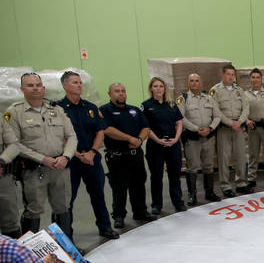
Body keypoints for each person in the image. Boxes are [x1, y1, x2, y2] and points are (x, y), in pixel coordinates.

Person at [5, 73, 76, 237]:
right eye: (30, 85)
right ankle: (29, 251)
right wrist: (42, 159)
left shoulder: (56, 110)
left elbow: (71, 136)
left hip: (60, 168)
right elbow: (14, 143)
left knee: (62, 207)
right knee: (34, 209)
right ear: (22, 89)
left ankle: (65, 249)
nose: (35, 88)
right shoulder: (14, 112)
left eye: (38, 85)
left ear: (43, 88)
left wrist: (66, 156)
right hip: (34, 170)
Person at [54, 70, 119, 240]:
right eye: (75, 82)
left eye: (80, 82)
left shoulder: (90, 108)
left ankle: (105, 227)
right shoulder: (58, 109)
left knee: (98, 193)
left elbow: (100, 131)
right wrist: (76, 154)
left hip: (91, 158)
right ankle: (67, 237)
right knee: (67, 200)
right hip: (71, 160)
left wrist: (91, 152)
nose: (79, 85)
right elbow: (58, 137)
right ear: (65, 85)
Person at [100, 82, 155, 229]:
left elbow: (146, 127)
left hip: (135, 154)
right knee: (119, 187)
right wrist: (129, 138)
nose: (121, 94)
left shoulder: (134, 110)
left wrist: (139, 140)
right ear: (110, 94)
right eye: (117, 91)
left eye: (123, 91)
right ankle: (119, 216)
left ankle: (140, 211)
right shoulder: (105, 110)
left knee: (139, 184)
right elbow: (107, 129)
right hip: (117, 157)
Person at [142, 77, 186, 213]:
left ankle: (178, 202)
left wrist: (176, 139)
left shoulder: (171, 104)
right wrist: (158, 140)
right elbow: (146, 127)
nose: (159, 89)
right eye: (155, 86)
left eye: (161, 86)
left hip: (173, 144)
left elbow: (179, 122)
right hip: (156, 146)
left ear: (164, 89)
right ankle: (156, 205)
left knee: (175, 175)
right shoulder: (146, 105)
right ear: (151, 89)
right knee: (156, 176)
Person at [177, 73, 222, 204]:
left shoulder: (209, 98)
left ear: (201, 83)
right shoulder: (183, 99)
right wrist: (197, 129)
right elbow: (180, 118)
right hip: (192, 138)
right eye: (192, 81)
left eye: (197, 81)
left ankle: (210, 192)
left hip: (208, 137)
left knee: (208, 165)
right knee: (193, 166)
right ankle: (192, 195)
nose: (194, 83)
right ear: (188, 83)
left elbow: (218, 116)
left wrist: (211, 128)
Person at [212, 64, 250, 196]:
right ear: (222, 75)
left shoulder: (239, 90)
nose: (230, 77)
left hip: (238, 127)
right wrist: (230, 122)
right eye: (228, 74)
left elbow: (246, 108)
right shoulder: (215, 90)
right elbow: (216, 110)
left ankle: (241, 183)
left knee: (241, 156)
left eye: (232, 74)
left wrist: (240, 121)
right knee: (224, 158)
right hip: (224, 127)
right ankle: (225, 185)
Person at [0, 123, 19, 238]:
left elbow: (14, 145)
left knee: (10, 220)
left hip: (2, 177)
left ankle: (14, 253)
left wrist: (2, 161)